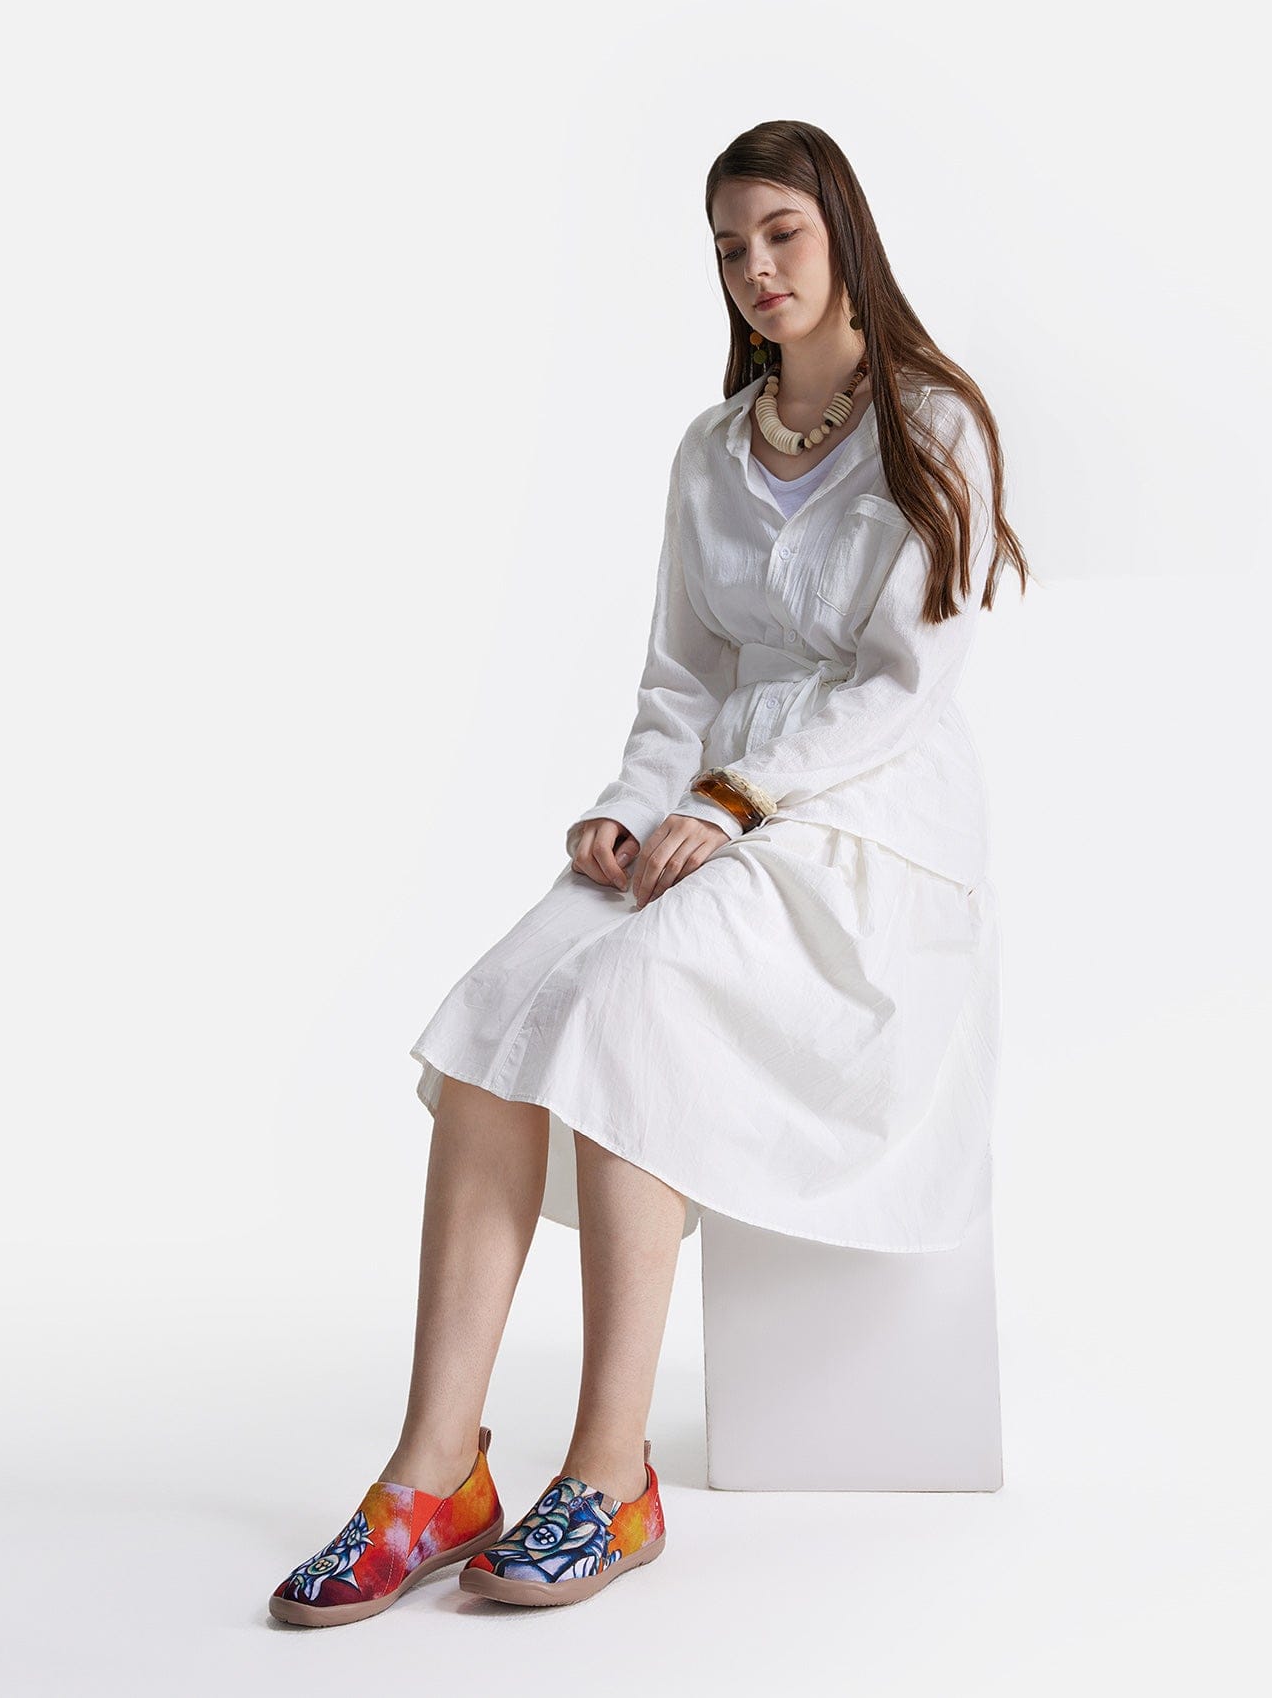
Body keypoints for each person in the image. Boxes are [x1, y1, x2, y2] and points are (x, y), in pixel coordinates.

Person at [268, 118, 1030, 1627]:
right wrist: (628, 810)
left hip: (866, 835)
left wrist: (740, 798)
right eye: (731, 247)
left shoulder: (935, 425)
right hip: (710, 813)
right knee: (485, 1027)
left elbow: (903, 689)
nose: (757, 268)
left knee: (630, 1006)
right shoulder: (710, 449)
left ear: (843, 233)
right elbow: (682, 676)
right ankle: (435, 1469)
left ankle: (611, 1473)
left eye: (782, 235)